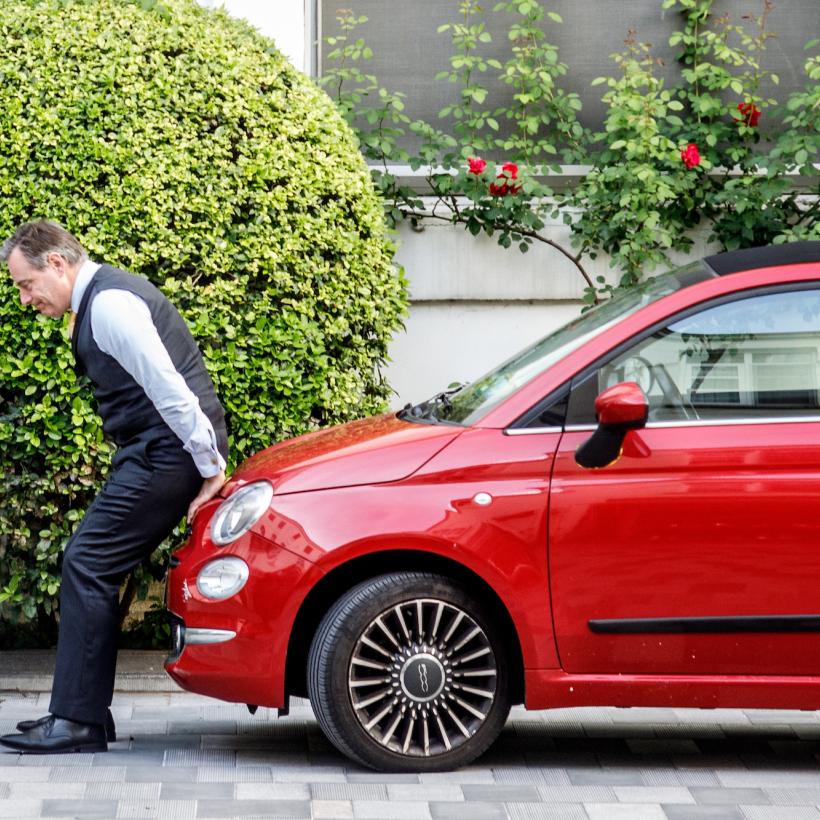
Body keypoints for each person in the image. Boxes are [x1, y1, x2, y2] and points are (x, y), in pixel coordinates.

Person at [0, 220, 228, 754]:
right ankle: (81, 717)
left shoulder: (110, 306)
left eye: (25, 283)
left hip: (167, 453)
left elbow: (169, 388)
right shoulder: (102, 299)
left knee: (87, 562)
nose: (24, 297)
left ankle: (78, 722)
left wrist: (210, 466)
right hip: (159, 451)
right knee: (89, 562)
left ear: (57, 263)